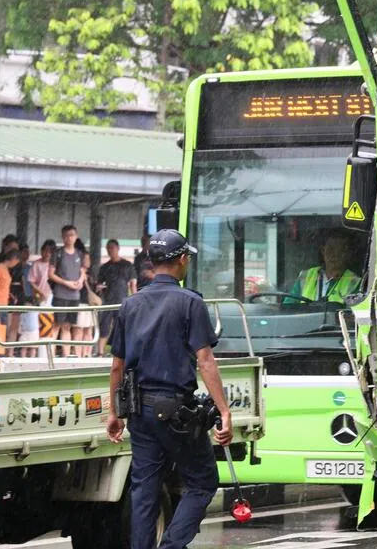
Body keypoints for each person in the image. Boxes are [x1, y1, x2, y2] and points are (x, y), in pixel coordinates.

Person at [104, 229, 232, 549]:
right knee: (202, 481)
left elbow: (117, 366)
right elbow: (205, 361)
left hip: (139, 412)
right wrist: (224, 411)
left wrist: (114, 413)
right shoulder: (190, 302)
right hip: (176, 413)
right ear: (182, 259)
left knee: (144, 491)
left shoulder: (130, 304)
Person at [287, 230, 363, 305]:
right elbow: (288, 306)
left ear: (348, 254)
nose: (334, 255)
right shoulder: (306, 276)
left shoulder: (354, 283)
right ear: (323, 251)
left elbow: (355, 311)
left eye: (340, 250)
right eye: (330, 249)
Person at [48, 225, 85, 357]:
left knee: (67, 326)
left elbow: (82, 271)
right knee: (56, 325)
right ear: (62, 237)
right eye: (66, 235)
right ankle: (50, 356)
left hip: (74, 296)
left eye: (72, 235)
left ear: (76, 236)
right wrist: (66, 283)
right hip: (60, 295)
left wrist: (80, 281)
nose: (69, 238)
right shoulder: (58, 253)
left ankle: (66, 356)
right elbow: (50, 274)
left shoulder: (79, 254)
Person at [97, 239, 137, 355]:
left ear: (118, 248)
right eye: (108, 248)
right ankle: (100, 353)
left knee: (122, 327)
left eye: (112, 248)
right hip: (107, 301)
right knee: (104, 326)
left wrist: (135, 300)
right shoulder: (105, 267)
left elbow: (133, 283)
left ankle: (121, 352)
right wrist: (100, 287)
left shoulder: (127, 265)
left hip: (122, 301)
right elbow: (99, 284)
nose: (110, 250)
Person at [28, 240, 57, 358]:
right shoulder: (37, 264)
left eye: (49, 251)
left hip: (54, 296)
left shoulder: (55, 264)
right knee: (43, 323)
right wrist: (40, 292)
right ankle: (42, 353)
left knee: (54, 324)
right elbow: (31, 281)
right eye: (44, 251)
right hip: (41, 298)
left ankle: (50, 351)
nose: (46, 254)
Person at [73, 238, 97, 356]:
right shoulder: (77, 272)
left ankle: (87, 354)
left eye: (89, 259)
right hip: (81, 303)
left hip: (90, 304)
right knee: (79, 329)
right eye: (85, 259)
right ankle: (78, 354)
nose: (88, 261)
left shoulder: (91, 273)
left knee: (89, 329)